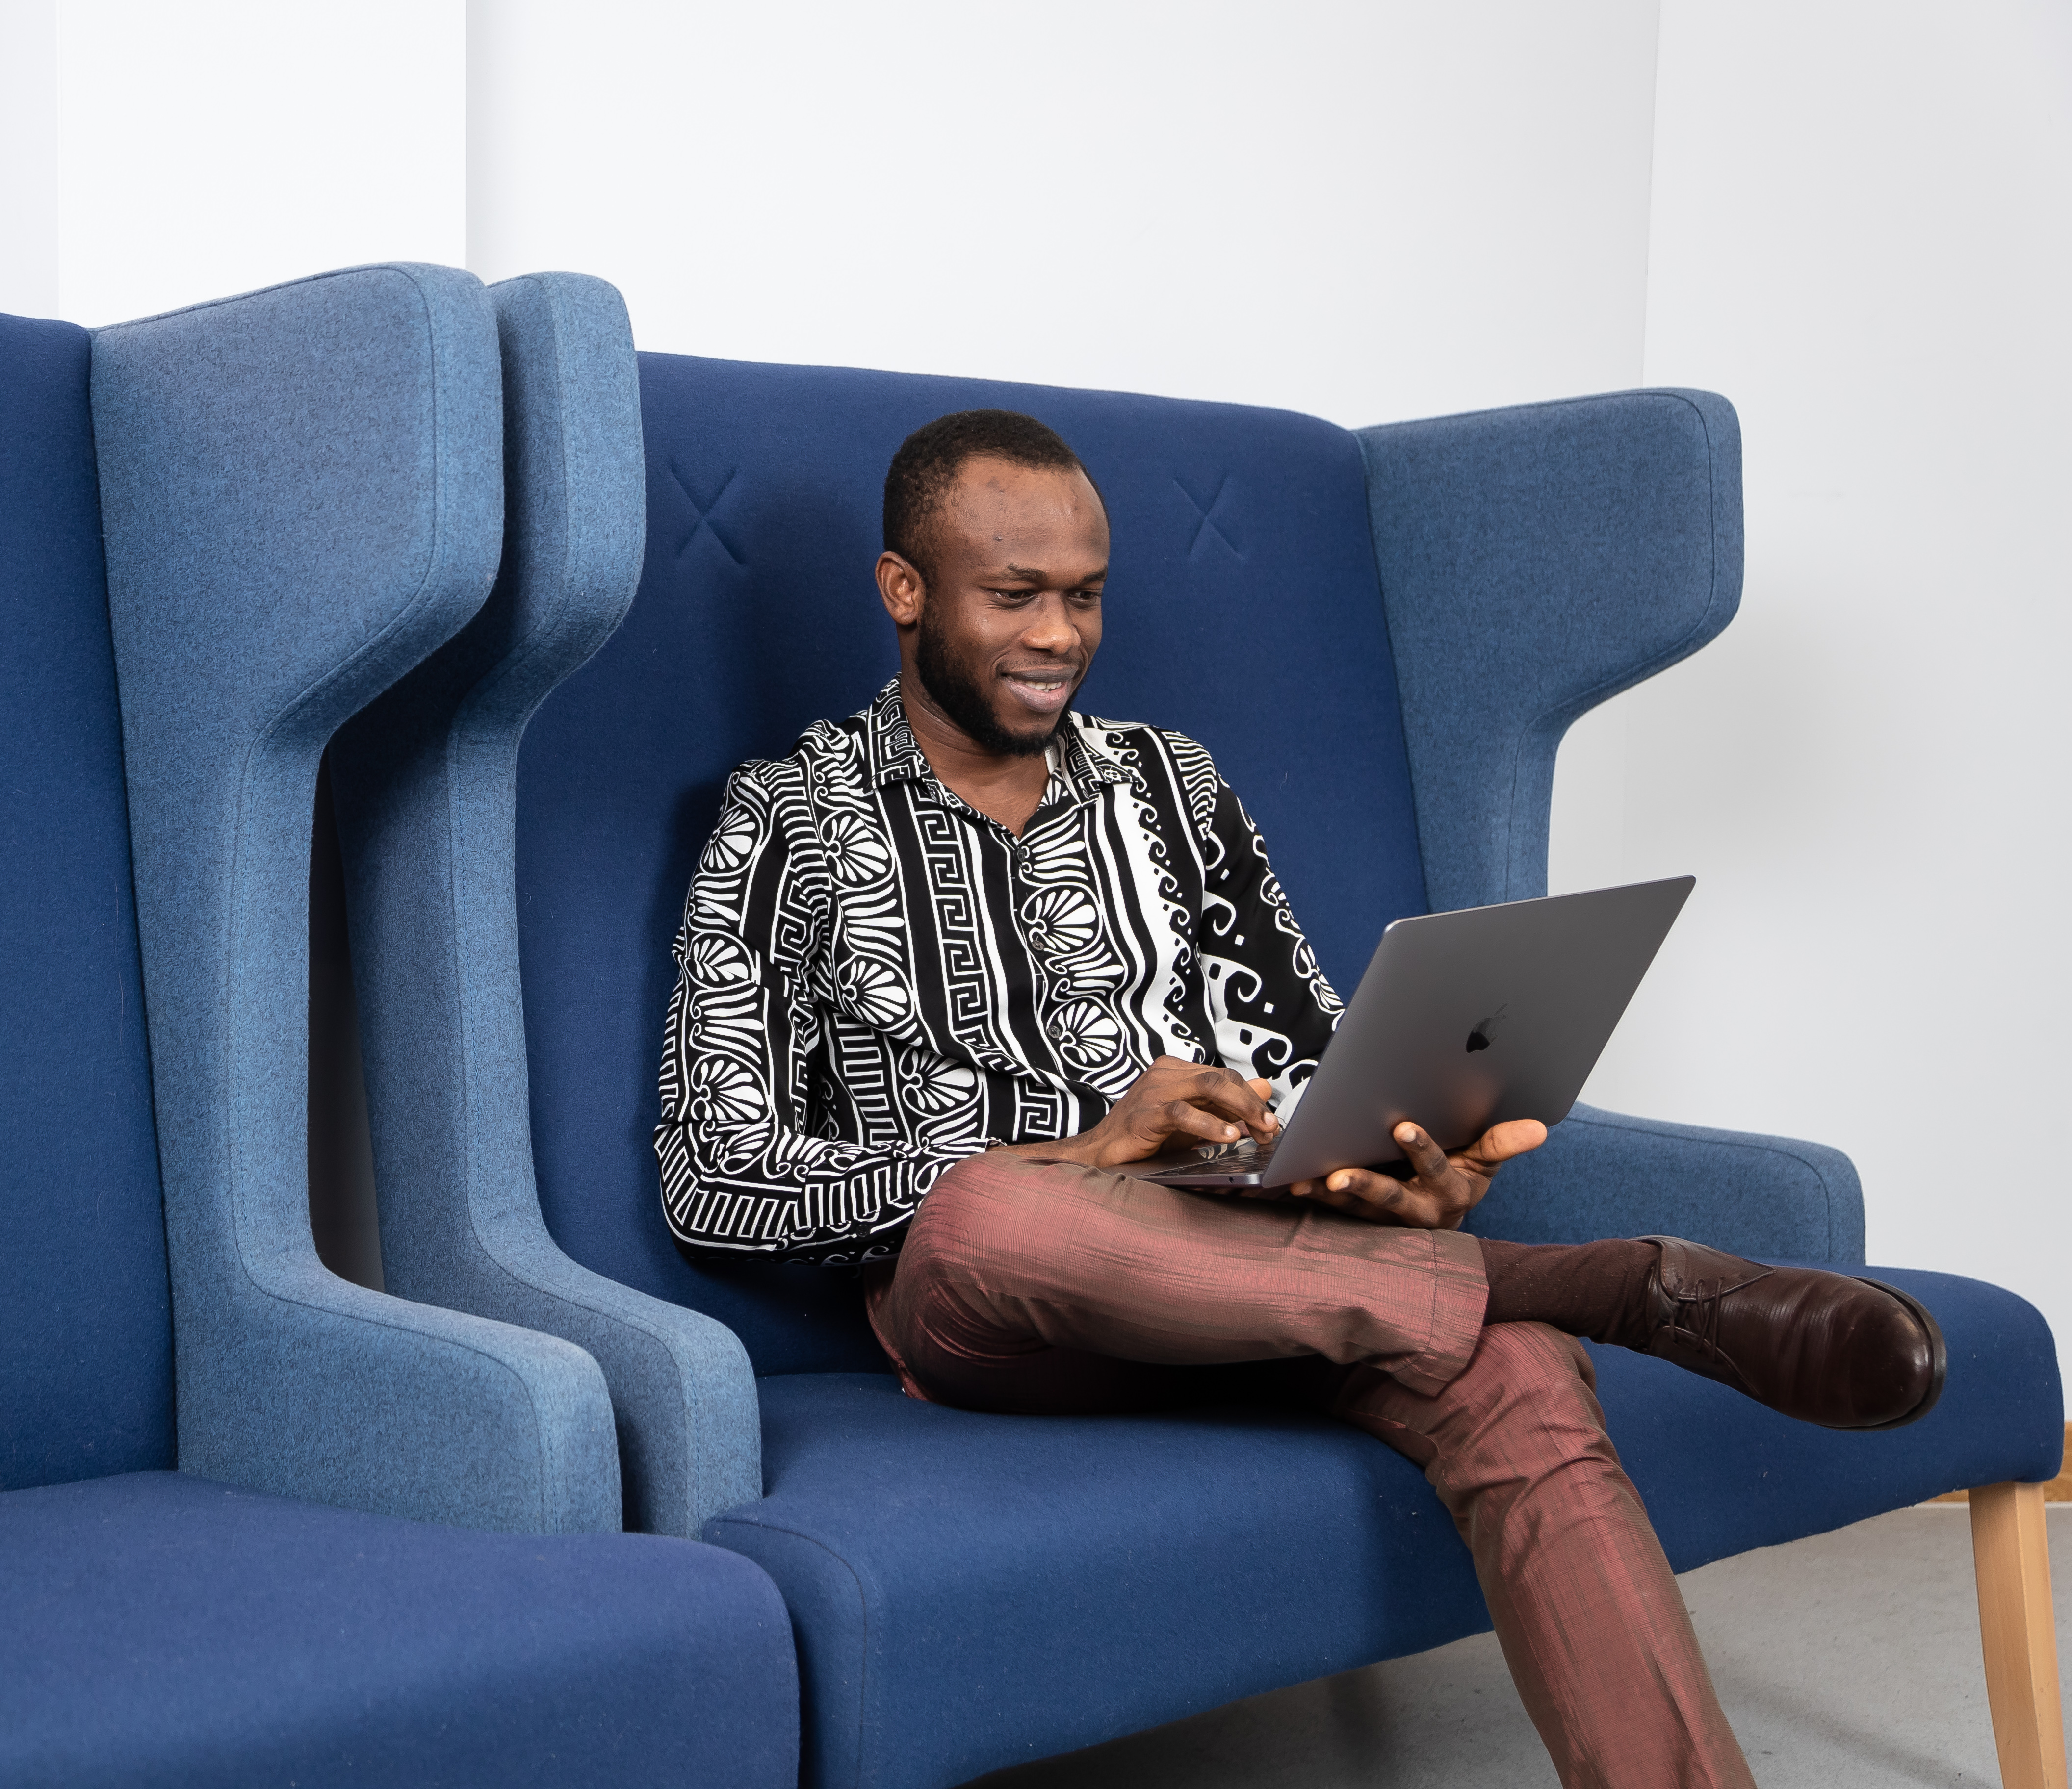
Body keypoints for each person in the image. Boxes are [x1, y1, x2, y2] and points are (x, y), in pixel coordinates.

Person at [653, 408, 1945, 1789]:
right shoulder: (787, 816)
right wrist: (1089, 1149)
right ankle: (1605, 1284)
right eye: (1013, 595)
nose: (1057, 636)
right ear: (904, 591)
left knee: (1509, 1371)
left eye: (1084, 596)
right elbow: (712, 1177)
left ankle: (1521, 1307)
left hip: (1283, 1265)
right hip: (1011, 1304)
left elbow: (1317, 1055)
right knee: (986, 1212)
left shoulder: (1177, 785)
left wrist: (1409, 1161)